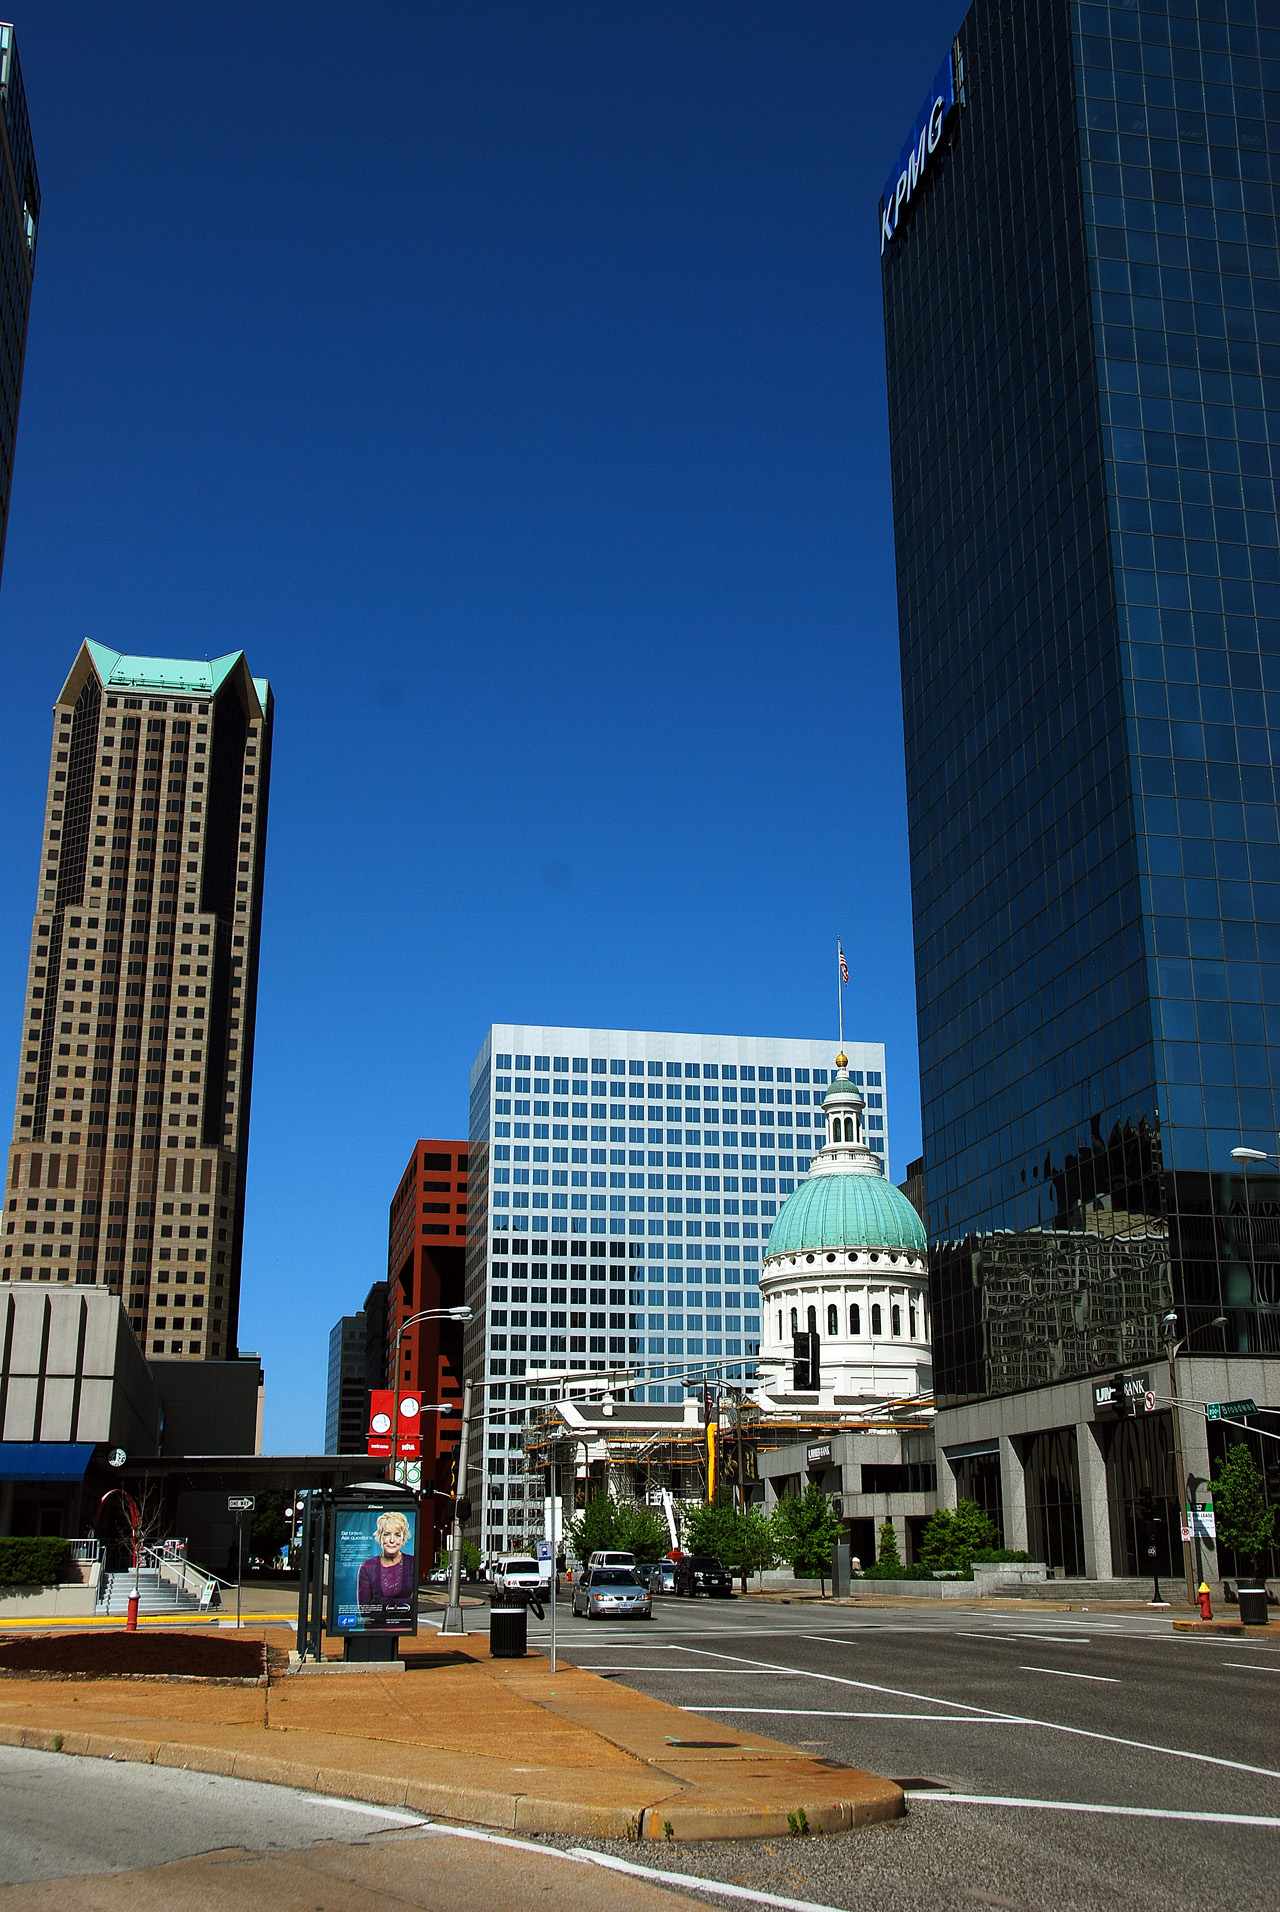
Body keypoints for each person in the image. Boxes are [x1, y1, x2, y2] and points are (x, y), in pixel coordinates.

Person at [356, 1511, 415, 1629]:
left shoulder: (412, 1563)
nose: (392, 1540)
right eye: (387, 1534)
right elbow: (365, 1610)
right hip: (375, 1630)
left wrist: (382, 1604)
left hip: (405, 1629)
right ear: (380, 1537)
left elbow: (415, 1604)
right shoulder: (367, 1567)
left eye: (397, 1535)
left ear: (403, 1538)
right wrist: (401, 1605)